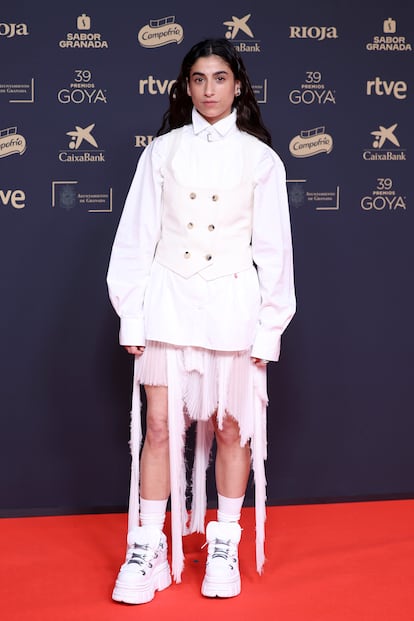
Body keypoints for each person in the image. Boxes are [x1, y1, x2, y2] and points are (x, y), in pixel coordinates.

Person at [106, 37, 296, 604]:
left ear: (237, 84)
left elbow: (275, 250)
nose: (208, 89)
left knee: (233, 426)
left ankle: (224, 543)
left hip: (234, 308)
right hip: (169, 306)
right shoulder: (161, 152)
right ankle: (146, 547)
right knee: (160, 428)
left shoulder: (262, 160)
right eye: (198, 78)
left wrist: (269, 326)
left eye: (219, 78)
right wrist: (131, 315)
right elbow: (137, 238)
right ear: (185, 86)